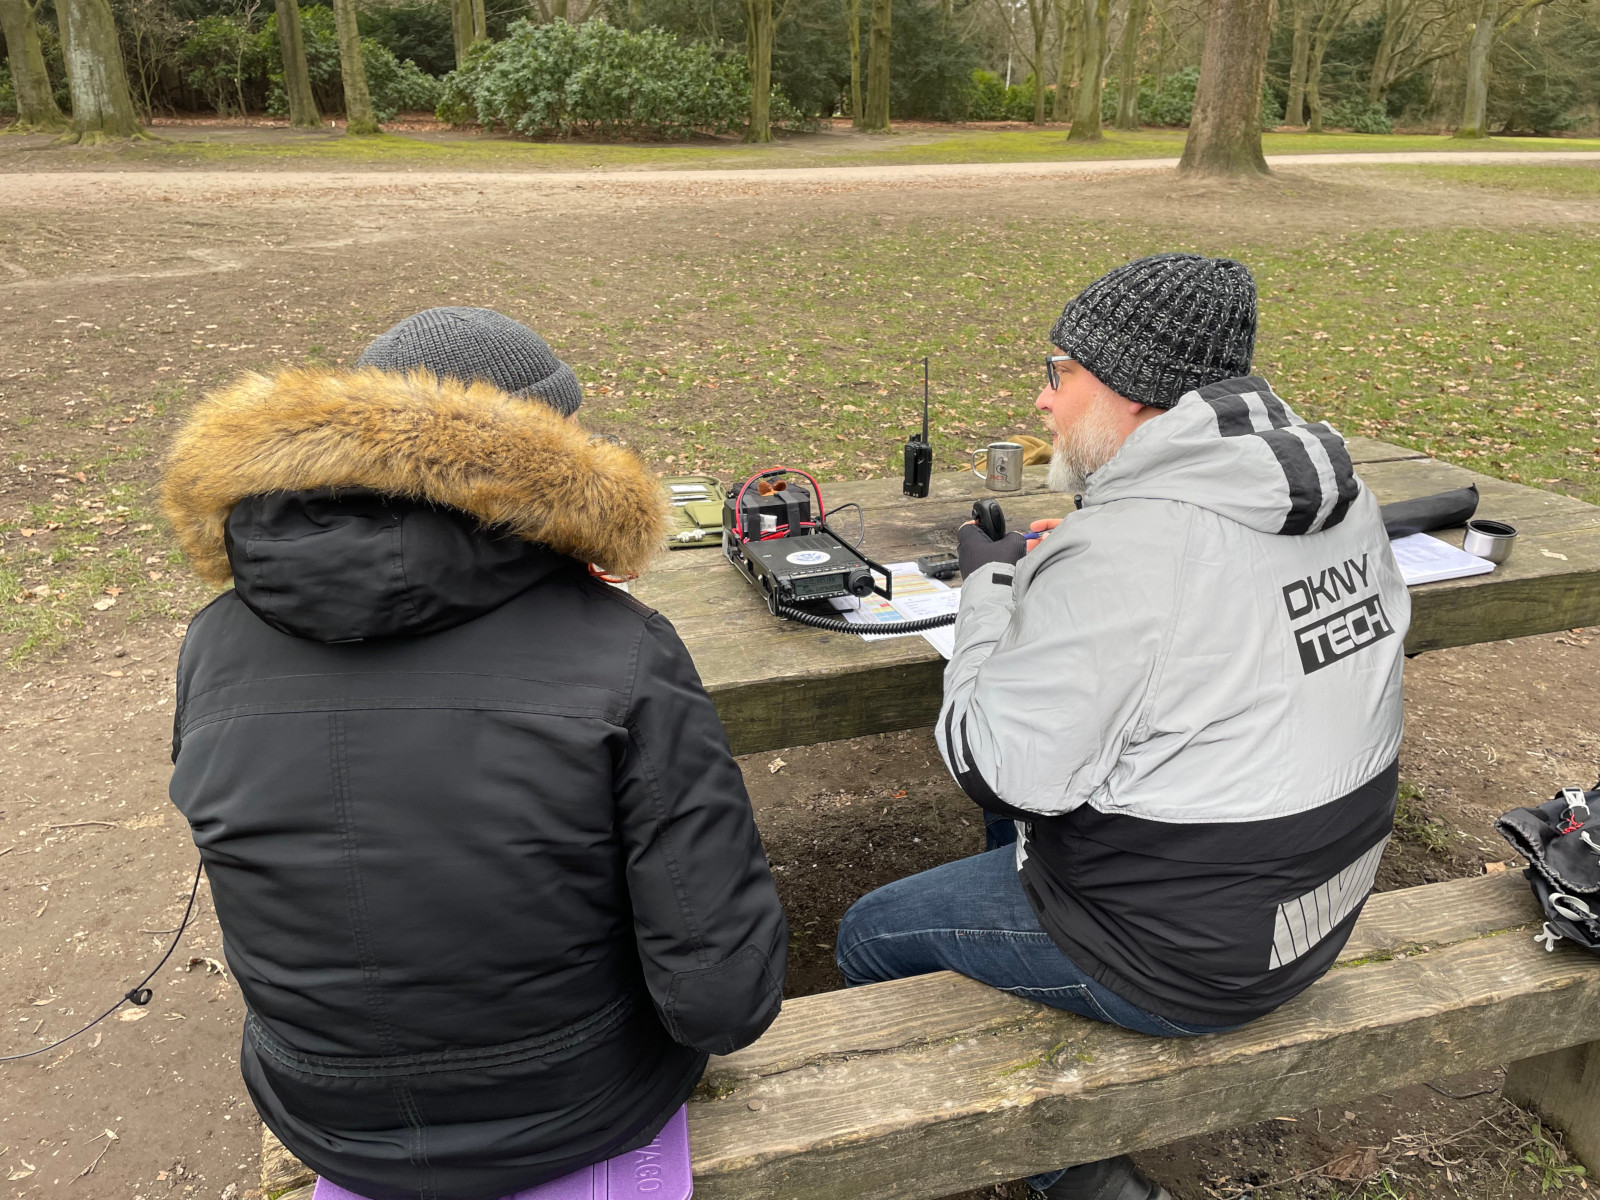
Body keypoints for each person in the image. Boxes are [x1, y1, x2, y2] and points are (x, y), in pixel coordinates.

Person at [162, 307, 787, 1200]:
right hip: (580, 1100)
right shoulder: (622, 645)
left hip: (321, 1108)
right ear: (539, 454)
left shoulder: (210, 642)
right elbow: (720, 1000)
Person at [835, 256, 1409, 1200]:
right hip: (1325, 898)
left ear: (1133, 392)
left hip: (1193, 960)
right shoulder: (1336, 499)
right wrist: (1079, 572)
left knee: (868, 934)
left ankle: (1075, 1175)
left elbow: (995, 767)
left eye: (1060, 373)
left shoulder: (1134, 548)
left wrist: (990, 584)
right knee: (1044, 796)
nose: (1043, 399)